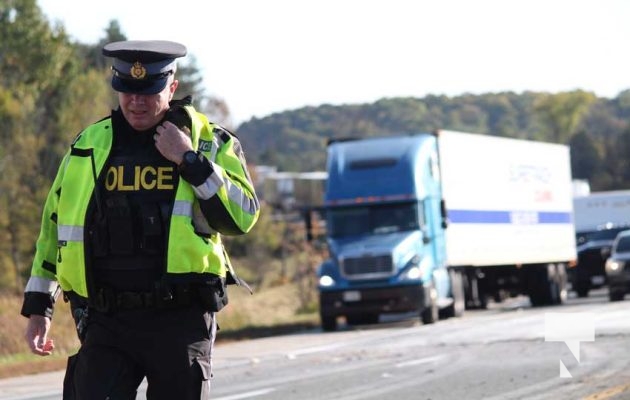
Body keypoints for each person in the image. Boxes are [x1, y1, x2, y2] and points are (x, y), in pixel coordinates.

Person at [21, 40, 260, 399]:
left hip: (179, 319)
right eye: (127, 90)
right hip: (107, 320)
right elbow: (54, 229)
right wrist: (39, 307)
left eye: (148, 91)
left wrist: (190, 161)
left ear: (172, 87)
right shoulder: (88, 145)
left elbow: (243, 217)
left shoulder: (209, 142)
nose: (136, 101)